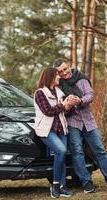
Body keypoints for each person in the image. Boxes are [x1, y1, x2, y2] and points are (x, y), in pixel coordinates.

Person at [53, 58, 107, 193]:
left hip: (88, 121)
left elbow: (90, 95)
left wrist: (80, 100)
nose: (64, 73)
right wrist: (68, 104)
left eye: (65, 69)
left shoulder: (81, 79)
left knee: (100, 150)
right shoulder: (58, 86)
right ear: (58, 73)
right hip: (72, 122)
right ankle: (86, 183)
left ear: (69, 66)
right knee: (77, 152)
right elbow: (58, 105)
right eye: (60, 72)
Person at [33, 67, 74, 198]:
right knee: (61, 151)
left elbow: (64, 112)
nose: (59, 77)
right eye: (57, 75)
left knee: (60, 156)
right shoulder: (40, 93)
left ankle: (62, 187)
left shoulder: (59, 92)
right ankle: (55, 184)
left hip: (61, 128)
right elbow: (48, 111)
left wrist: (69, 106)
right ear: (50, 77)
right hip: (46, 130)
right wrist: (63, 106)